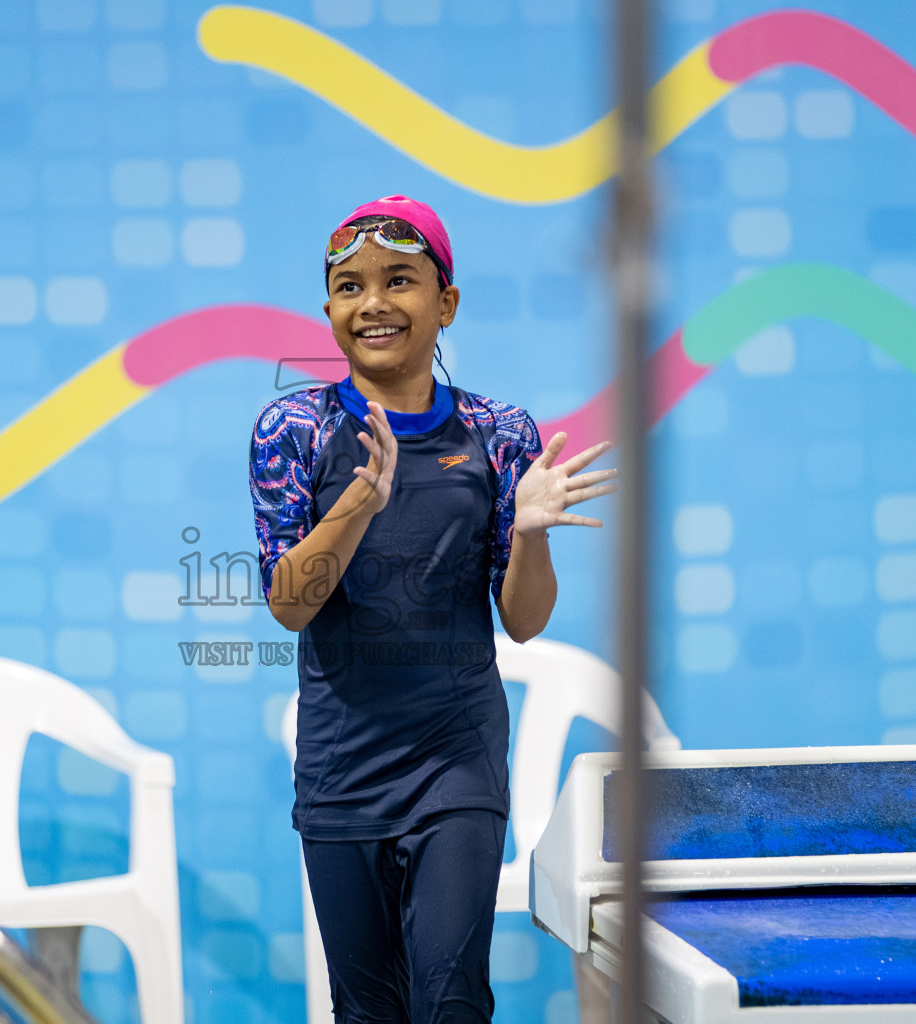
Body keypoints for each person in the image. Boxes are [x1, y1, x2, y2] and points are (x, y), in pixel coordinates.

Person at [248, 195, 616, 1023]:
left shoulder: (497, 432)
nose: (372, 303)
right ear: (330, 311)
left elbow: (522, 620)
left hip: (456, 762)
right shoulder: (293, 429)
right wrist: (358, 504)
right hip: (342, 769)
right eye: (349, 287)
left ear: (445, 303)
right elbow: (289, 606)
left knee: (450, 1002)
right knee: (369, 1011)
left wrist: (528, 531)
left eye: (399, 281)